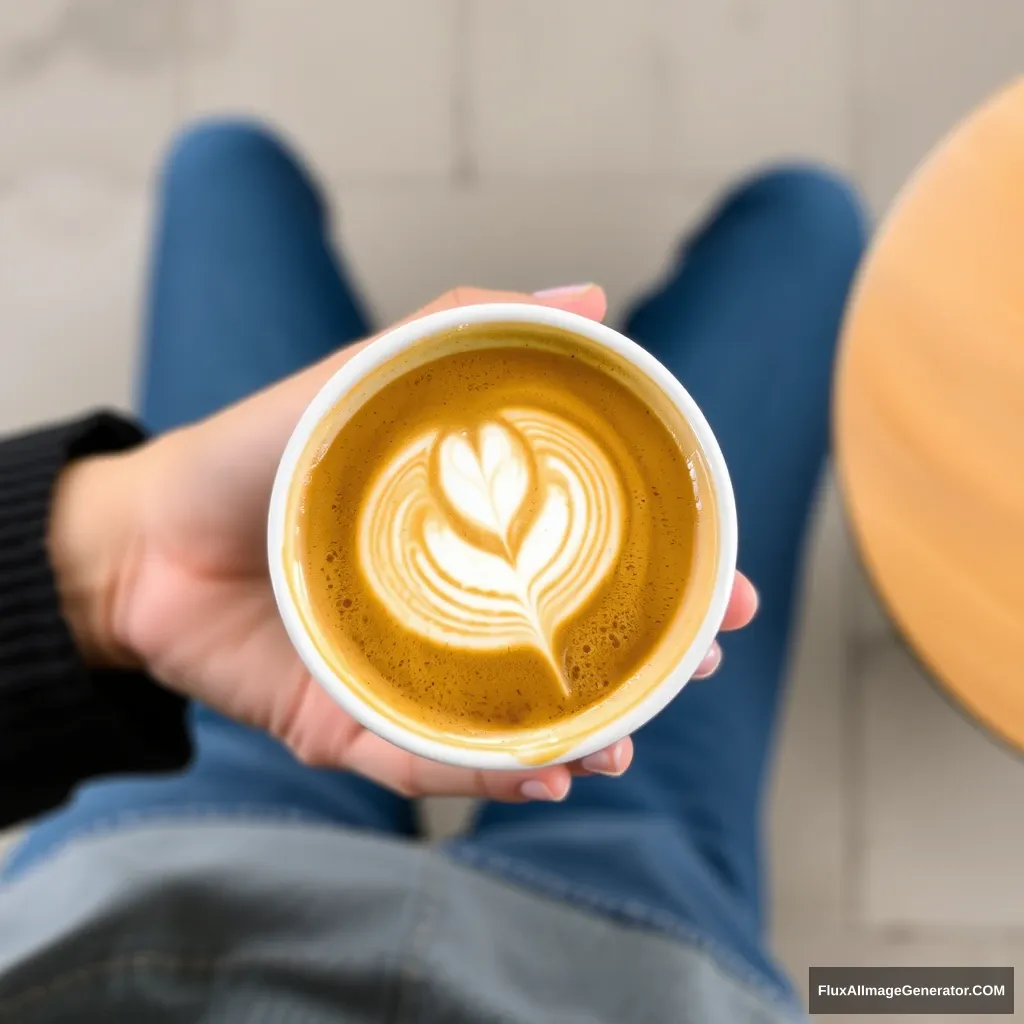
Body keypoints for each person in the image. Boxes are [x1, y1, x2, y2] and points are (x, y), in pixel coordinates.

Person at [0, 121, 865, 1022]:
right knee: (811, 220)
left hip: (162, 890)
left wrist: (116, 568)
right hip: (622, 963)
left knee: (220, 163)